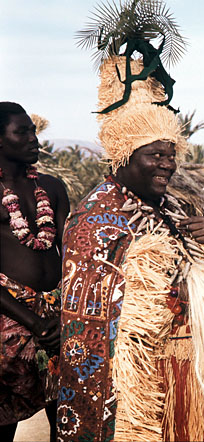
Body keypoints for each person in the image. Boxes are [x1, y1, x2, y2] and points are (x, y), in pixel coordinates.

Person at [56, 55, 204, 442]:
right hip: (145, 383)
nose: (167, 165)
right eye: (155, 155)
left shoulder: (175, 204)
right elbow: (97, 308)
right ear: (124, 157)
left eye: (171, 155)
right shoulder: (95, 218)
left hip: (198, 368)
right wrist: (163, 285)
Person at [0, 102, 69, 442]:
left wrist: (60, 315)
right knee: (4, 418)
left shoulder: (52, 187)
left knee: (67, 419)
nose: (33, 139)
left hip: (58, 318)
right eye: (22, 132)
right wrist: (33, 322)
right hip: (10, 320)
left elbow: (69, 252)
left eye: (33, 130)